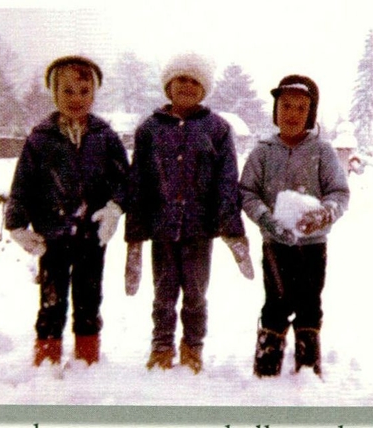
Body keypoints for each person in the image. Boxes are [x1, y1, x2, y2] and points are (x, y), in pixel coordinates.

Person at [125, 52, 253, 374]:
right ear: (169, 85)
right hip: (162, 228)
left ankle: (193, 346)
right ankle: (162, 345)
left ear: (204, 89)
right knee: (164, 294)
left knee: (196, 294)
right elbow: (137, 184)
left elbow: (226, 182)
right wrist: (136, 235)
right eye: (181, 79)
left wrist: (232, 229)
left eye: (195, 81)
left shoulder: (218, 129)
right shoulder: (149, 130)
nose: (187, 86)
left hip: (200, 231)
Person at [5, 55, 129, 367]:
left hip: (92, 233)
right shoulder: (40, 139)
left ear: (94, 93)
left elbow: (125, 181)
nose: (76, 98)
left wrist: (114, 208)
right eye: (67, 91)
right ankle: (47, 355)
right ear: (54, 93)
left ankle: (87, 356)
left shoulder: (105, 136)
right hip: (52, 235)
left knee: (88, 298)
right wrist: (18, 225)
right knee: (51, 299)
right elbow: (23, 185)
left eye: (84, 91)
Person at [239, 74, 350, 377]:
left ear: (310, 114)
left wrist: (324, 214)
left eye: (301, 108)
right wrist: (265, 219)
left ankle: (307, 361)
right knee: (275, 301)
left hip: (313, 247)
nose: (292, 114)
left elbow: (339, 193)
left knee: (309, 301)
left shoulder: (323, 152)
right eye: (286, 106)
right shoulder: (263, 151)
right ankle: (267, 358)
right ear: (276, 110)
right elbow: (247, 192)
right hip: (276, 245)